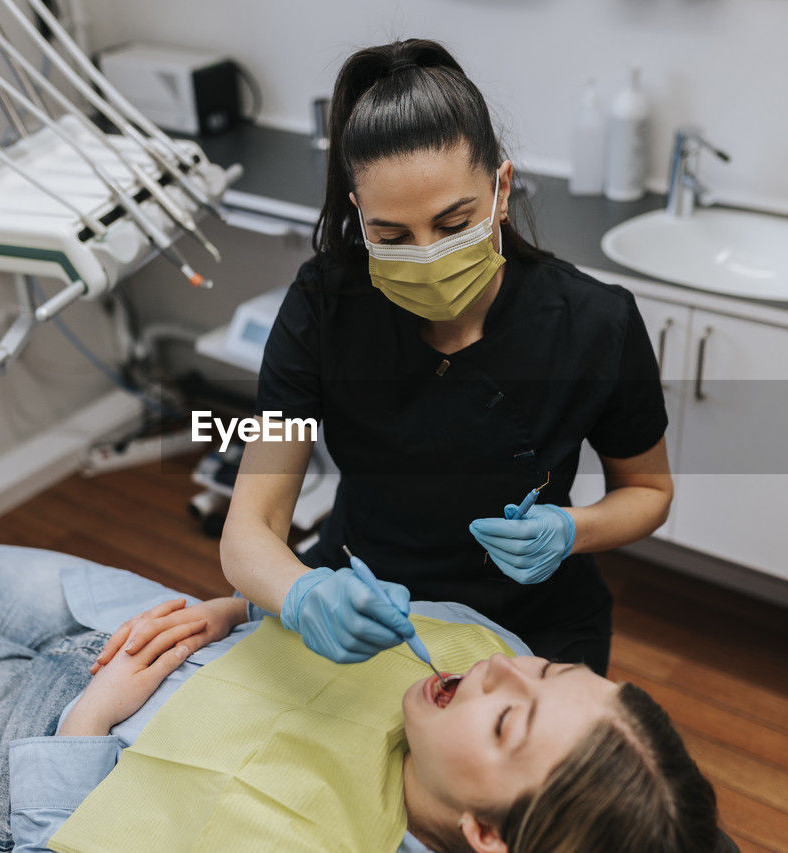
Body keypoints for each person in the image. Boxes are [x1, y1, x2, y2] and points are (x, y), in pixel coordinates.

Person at [0, 521, 722, 853]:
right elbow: (304, 593)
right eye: (549, 665)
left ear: (489, 834)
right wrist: (234, 608)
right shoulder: (485, 654)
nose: (497, 665)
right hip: (169, 629)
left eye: (510, 714)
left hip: (45, 749)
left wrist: (90, 715)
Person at [221, 38, 673, 675]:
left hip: (534, 623)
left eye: (455, 223)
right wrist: (300, 595)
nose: (428, 255)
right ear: (360, 214)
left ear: (501, 187)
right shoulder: (324, 306)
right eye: (392, 235)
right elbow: (249, 530)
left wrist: (571, 530)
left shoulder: (594, 322)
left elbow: (649, 491)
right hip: (369, 601)